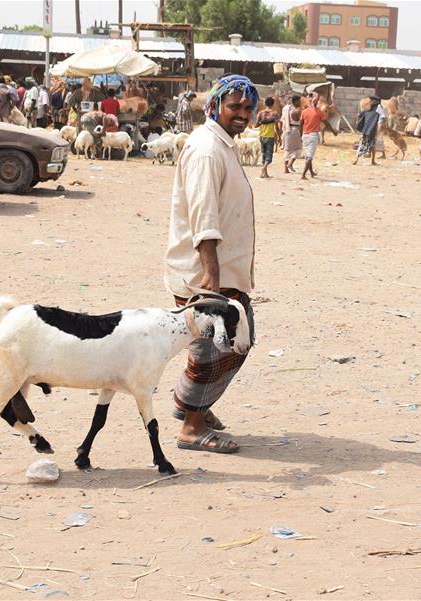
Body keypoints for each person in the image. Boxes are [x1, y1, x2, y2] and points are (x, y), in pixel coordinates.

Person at [164, 74, 259, 454]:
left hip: (221, 268)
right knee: (218, 348)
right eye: (234, 106)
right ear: (215, 106)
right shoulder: (206, 150)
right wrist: (211, 277)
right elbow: (204, 216)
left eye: (248, 108)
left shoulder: (223, 145)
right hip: (206, 273)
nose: (242, 114)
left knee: (223, 345)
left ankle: (189, 404)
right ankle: (191, 426)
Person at [299, 93, 326, 178]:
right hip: (313, 136)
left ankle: (311, 173)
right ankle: (303, 175)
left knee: (308, 155)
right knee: (309, 157)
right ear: (317, 101)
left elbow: (300, 124)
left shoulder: (304, 111)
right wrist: (333, 131)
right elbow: (325, 122)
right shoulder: (319, 112)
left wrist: (300, 136)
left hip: (305, 135)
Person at [354, 96, 382, 166]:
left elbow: (359, 115)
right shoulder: (374, 109)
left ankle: (357, 159)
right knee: (371, 145)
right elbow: (381, 119)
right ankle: (371, 161)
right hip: (371, 130)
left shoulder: (371, 109)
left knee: (363, 144)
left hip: (367, 130)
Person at [256, 97, 280, 178]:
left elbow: (256, 125)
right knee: (269, 156)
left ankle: (264, 174)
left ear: (264, 103)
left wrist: (262, 122)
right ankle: (264, 168)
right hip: (270, 136)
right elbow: (277, 127)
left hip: (262, 136)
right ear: (273, 104)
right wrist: (279, 136)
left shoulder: (260, 113)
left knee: (264, 154)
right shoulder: (274, 114)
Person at [280, 95, 302, 173]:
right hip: (295, 130)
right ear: (295, 101)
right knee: (298, 149)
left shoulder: (286, 109)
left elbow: (281, 120)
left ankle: (285, 169)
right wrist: (301, 134)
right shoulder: (297, 111)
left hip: (286, 130)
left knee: (287, 150)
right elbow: (301, 123)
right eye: (299, 101)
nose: (300, 102)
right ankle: (290, 163)